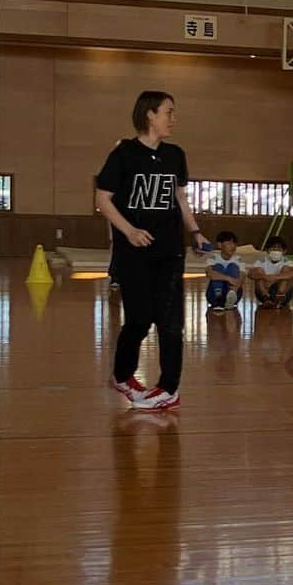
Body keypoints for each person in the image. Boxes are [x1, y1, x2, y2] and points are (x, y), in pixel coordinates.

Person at [96, 90, 210, 412]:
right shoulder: (124, 154)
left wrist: (196, 232)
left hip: (170, 251)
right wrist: (129, 231)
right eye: (168, 112)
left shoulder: (175, 154)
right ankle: (122, 375)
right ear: (150, 115)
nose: (173, 119)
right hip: (133, 253)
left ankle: (169, 389)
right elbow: (103, 199)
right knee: (139, 319)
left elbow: (181, 199)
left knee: (171, 322)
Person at [248, 235, 293, 308]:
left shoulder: (287, 261)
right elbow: (250, 274)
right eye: (273, 248)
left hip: (284, 293)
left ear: (284, 251)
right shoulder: (261, 261)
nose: (276, 250)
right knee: (258, 271)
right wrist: (265, 277)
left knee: (286, 270)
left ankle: (280, 296)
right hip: (264, 292)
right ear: (267, 250)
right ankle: (266, 298)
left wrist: (275, 277)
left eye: (279, 248)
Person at [205, 231, 244, 312]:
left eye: (234, 244)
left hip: (233, 292)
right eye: (229, 243)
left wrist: (233, 293)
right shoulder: (213, 258)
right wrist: (228, 278)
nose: (233, 246)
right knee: (218, 267)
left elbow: (241, 277)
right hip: (214, 295)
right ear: (219, 245)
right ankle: (218, 298)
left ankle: (230, 297)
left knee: (232, 267)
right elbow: (210, 274)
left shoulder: (238, 259)